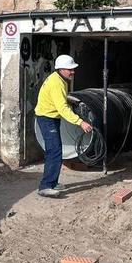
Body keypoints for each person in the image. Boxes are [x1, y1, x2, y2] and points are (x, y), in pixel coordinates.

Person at [34, 54, 93, 197]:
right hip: (47, 118)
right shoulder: (57, 83)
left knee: (56, 150)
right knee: (54, 152)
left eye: (73, 69)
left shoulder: (60, 79)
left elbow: (59, 99)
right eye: (70, 69)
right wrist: (81, 122)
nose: (73, 71)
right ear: (61, 69)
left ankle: (52, 183)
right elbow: (62, 109)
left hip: (51, 117)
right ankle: (46, 186)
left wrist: (70, 99)